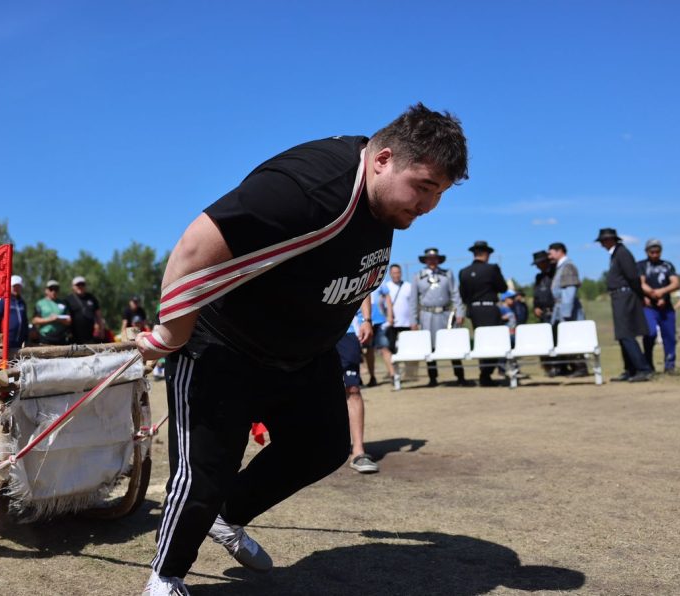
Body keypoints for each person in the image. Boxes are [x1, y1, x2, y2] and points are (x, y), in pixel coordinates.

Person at [133, 104, 468, 593]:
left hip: (302, 354)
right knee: (205, 472)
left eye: (438, 194)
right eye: (422, 187)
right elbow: (193, 248)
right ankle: (166, 576)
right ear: (382, 159)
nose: (428, 206)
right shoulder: (306, 187)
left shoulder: (383, 203)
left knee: (325, 445)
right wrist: (171, 334)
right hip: (224, 344)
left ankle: (229, 516)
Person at [596, 228, 652, 382]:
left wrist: (640, 295)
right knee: (622, 334)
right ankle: (630, 368)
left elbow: (632, 276)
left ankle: (643, 368)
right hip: (619, 296)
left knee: (626, 333)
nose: (602, 244)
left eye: (603, 241)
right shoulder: (616, 254)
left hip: (625, 295)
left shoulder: (622, 253)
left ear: (611, 240)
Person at [414, 247, 467, 387]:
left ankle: (460, 376)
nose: (432, 261)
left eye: (434, 258)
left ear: (438, 260)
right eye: (429, 259)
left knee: (452, 345)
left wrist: (460, 312)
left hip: (445, 314)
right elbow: (413, 301)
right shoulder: (418, 276)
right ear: (425, 260)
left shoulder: (447, 274)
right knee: (429, 347)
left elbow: (455, 294)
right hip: (427, 315)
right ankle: (433, 377)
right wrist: (413, 320)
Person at [337, 299, 378, 473]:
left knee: (352, 388)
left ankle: (358, 451)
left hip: (347, 331)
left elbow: (365, 286)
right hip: (316, 332)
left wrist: (367, 320)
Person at [458, 241, 507, 386]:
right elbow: (503, 288)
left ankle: (485, 373)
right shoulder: (492, 269)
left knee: (481, 342)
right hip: (489, 309)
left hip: (474, 310)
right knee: (493, 342)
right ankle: (486, 374)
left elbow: (463, 295)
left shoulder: (464, 272)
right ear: (486, 254)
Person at [637, 238, 679, 372]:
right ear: (647, 251)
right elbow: (640, 282)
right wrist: (649, 293)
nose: (655, 254)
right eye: (652, 252)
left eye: (657, 251)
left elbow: (675, 283)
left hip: (665, 307)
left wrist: (662, 292)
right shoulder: (641, 265)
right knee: (650, 333)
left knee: (669, 336)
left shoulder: (667, 265)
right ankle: (648, 364)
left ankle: (670, 365)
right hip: (648, 307)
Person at [548, 242, 587, 376]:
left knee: (572, 336)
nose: (549, 256)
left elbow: (569, 292)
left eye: (551, 252)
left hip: (566, 309)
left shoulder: (568, 267)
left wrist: (566, 313)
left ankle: (580, 367)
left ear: (560, 251)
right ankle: (573, 366)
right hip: (560, 307)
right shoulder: (561, 267)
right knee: (566, 338)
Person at [363, 282, 395, 387]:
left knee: (384, 348)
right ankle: (372, 377)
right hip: (362, 322)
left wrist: (390, 315)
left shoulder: (379, 279)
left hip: (379, 321)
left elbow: (388, 297)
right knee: (368, 350)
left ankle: (393, 375)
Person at [382, 264, 418, 352]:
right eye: (394, 273)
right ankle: (393, 366)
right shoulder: (386, 287)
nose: (396, 275)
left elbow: (414, 304)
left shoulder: (408, 286)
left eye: (398, 272)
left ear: (401, 273)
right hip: (391, 324)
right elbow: (381, 305)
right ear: (390, 274)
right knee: (391, 348)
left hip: (407, 324)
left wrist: (414, 321)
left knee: (409, 349)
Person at [0, 275, 29, 350]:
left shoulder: (22, 302)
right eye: (14, 286)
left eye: (18, 286)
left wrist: (26, 337)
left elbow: (25, 321)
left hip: (19, 342)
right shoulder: (3, 299)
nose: (16, 289)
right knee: (5, 361)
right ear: (9, 286)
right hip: (5, 342)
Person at [67, 276, 105, 344]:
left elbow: (98, 315)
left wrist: (101, 330)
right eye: (78, 285)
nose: (80, 286)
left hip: (90, 335)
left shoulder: (92, 298)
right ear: (73, 287)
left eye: (82, 284)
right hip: (74, 336)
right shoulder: (68, 299)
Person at [33, 280, 71, 345]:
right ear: (46, 290)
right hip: (45, 337)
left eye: (56, 289)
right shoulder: (40, 303)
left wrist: (58, 319)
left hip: (61, 337)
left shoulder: (63, 303)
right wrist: (50, 319)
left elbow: (69, 321)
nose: (53, 291)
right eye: (51, 289)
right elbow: (35, 320)